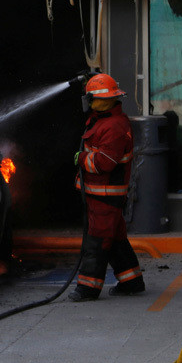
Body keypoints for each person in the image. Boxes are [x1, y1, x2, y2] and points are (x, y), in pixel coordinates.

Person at [68, 73, 146, 301]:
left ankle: (88, 288)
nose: (89, 102)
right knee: (116, 239)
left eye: (91, 98)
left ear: (100, 100)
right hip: (99, 194)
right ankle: (132, 282)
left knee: (97, 241)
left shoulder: (113, 127)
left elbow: (104, 162)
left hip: (105, 196)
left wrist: (82, 158)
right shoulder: (104, 121)